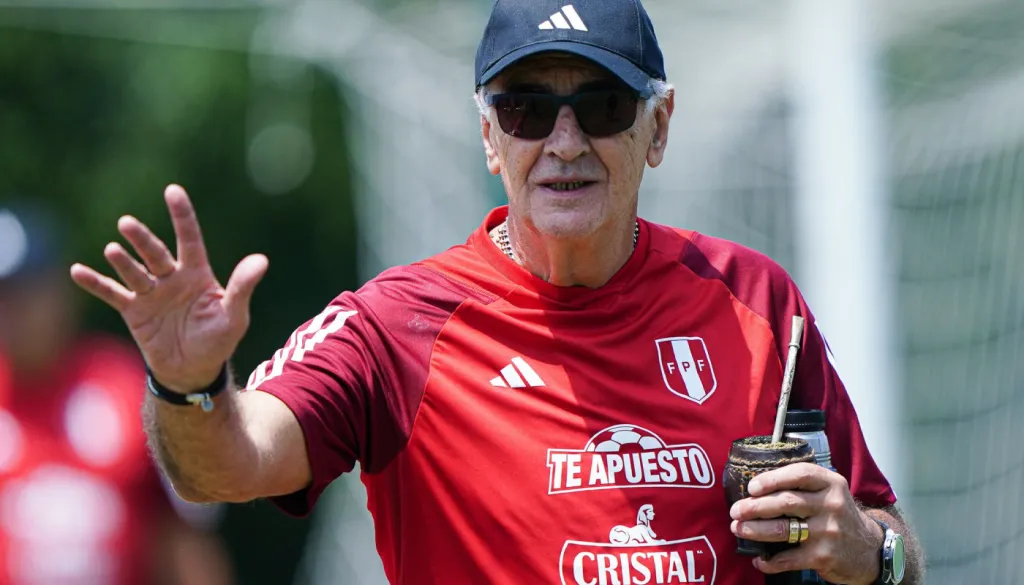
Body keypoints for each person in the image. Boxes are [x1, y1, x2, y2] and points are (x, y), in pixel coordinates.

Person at [69, 1, 924, 584]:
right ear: (489, 135)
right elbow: (232, 463)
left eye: (601, 104)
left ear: (656, 127)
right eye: (525, 109)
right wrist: (188, 384)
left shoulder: (756, 302)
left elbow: (892, 540)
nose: (563, 141)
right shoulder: (394, 325)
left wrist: (865, 549)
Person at [0, 203, 234, 585]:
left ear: (59, 292)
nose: (10, 314)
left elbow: (182, 536)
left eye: (24, 295)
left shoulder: (124, 386)